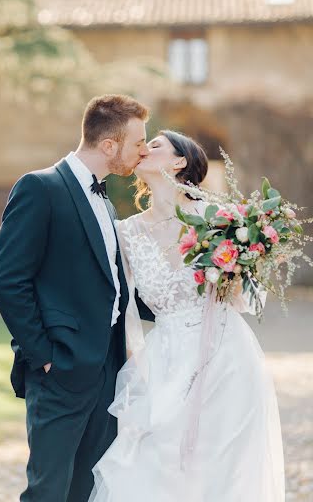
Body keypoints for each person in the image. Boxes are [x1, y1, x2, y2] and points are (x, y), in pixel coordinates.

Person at [90, 130, 285, 502]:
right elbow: (127, 307)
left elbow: (247, 300)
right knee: (156, 459)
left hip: (226, 356)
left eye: (156, 146)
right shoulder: (125, 232)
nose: (144, 149)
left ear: (179, 162)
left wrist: (239, 263)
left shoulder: (220, 218)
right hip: (165, 360)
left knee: (224, 464)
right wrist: (134, 368)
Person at [0, 94, 152, 502]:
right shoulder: (39, 188)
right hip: (59, 370)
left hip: (109, 372)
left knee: (89, 490)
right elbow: (8, 281)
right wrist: (44, 354)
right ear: (110, 145)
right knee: (48, 491)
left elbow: (114, 286)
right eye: (138, 143)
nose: (143, 151)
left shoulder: (108, 205)